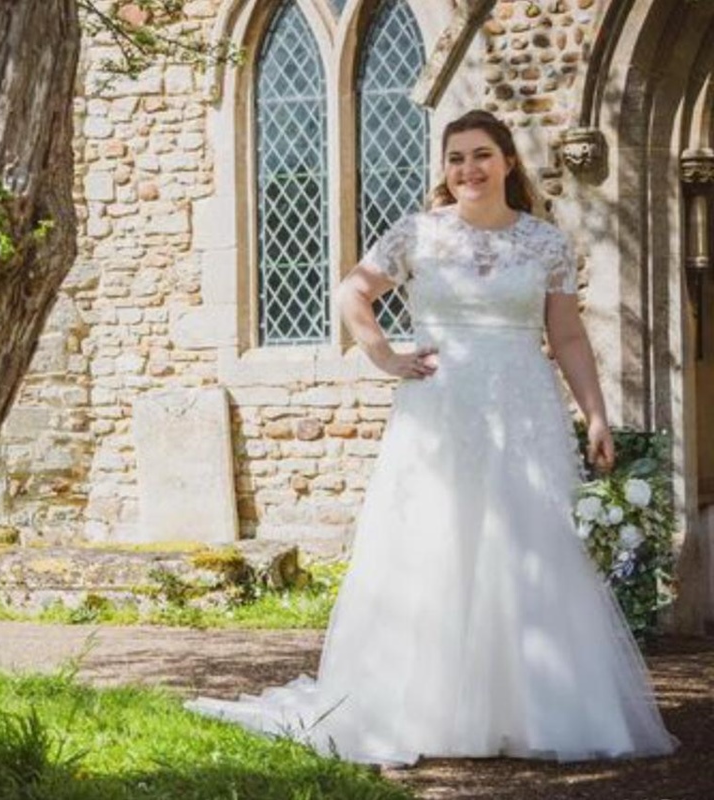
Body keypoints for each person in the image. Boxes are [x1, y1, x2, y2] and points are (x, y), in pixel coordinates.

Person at [186, 109, 676, 765]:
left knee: (527, 542)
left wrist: (594, 414)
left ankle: (536, 705)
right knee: (435, 541)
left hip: (523, 405)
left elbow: (565, 337)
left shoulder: (547, 243)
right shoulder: (417, 234)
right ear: (445, 170)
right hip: (439, 408)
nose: (468, 169)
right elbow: (352, 291)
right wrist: (383, 354)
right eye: (455, 159)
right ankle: (425, 704)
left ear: (506, 161)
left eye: (480, 155)